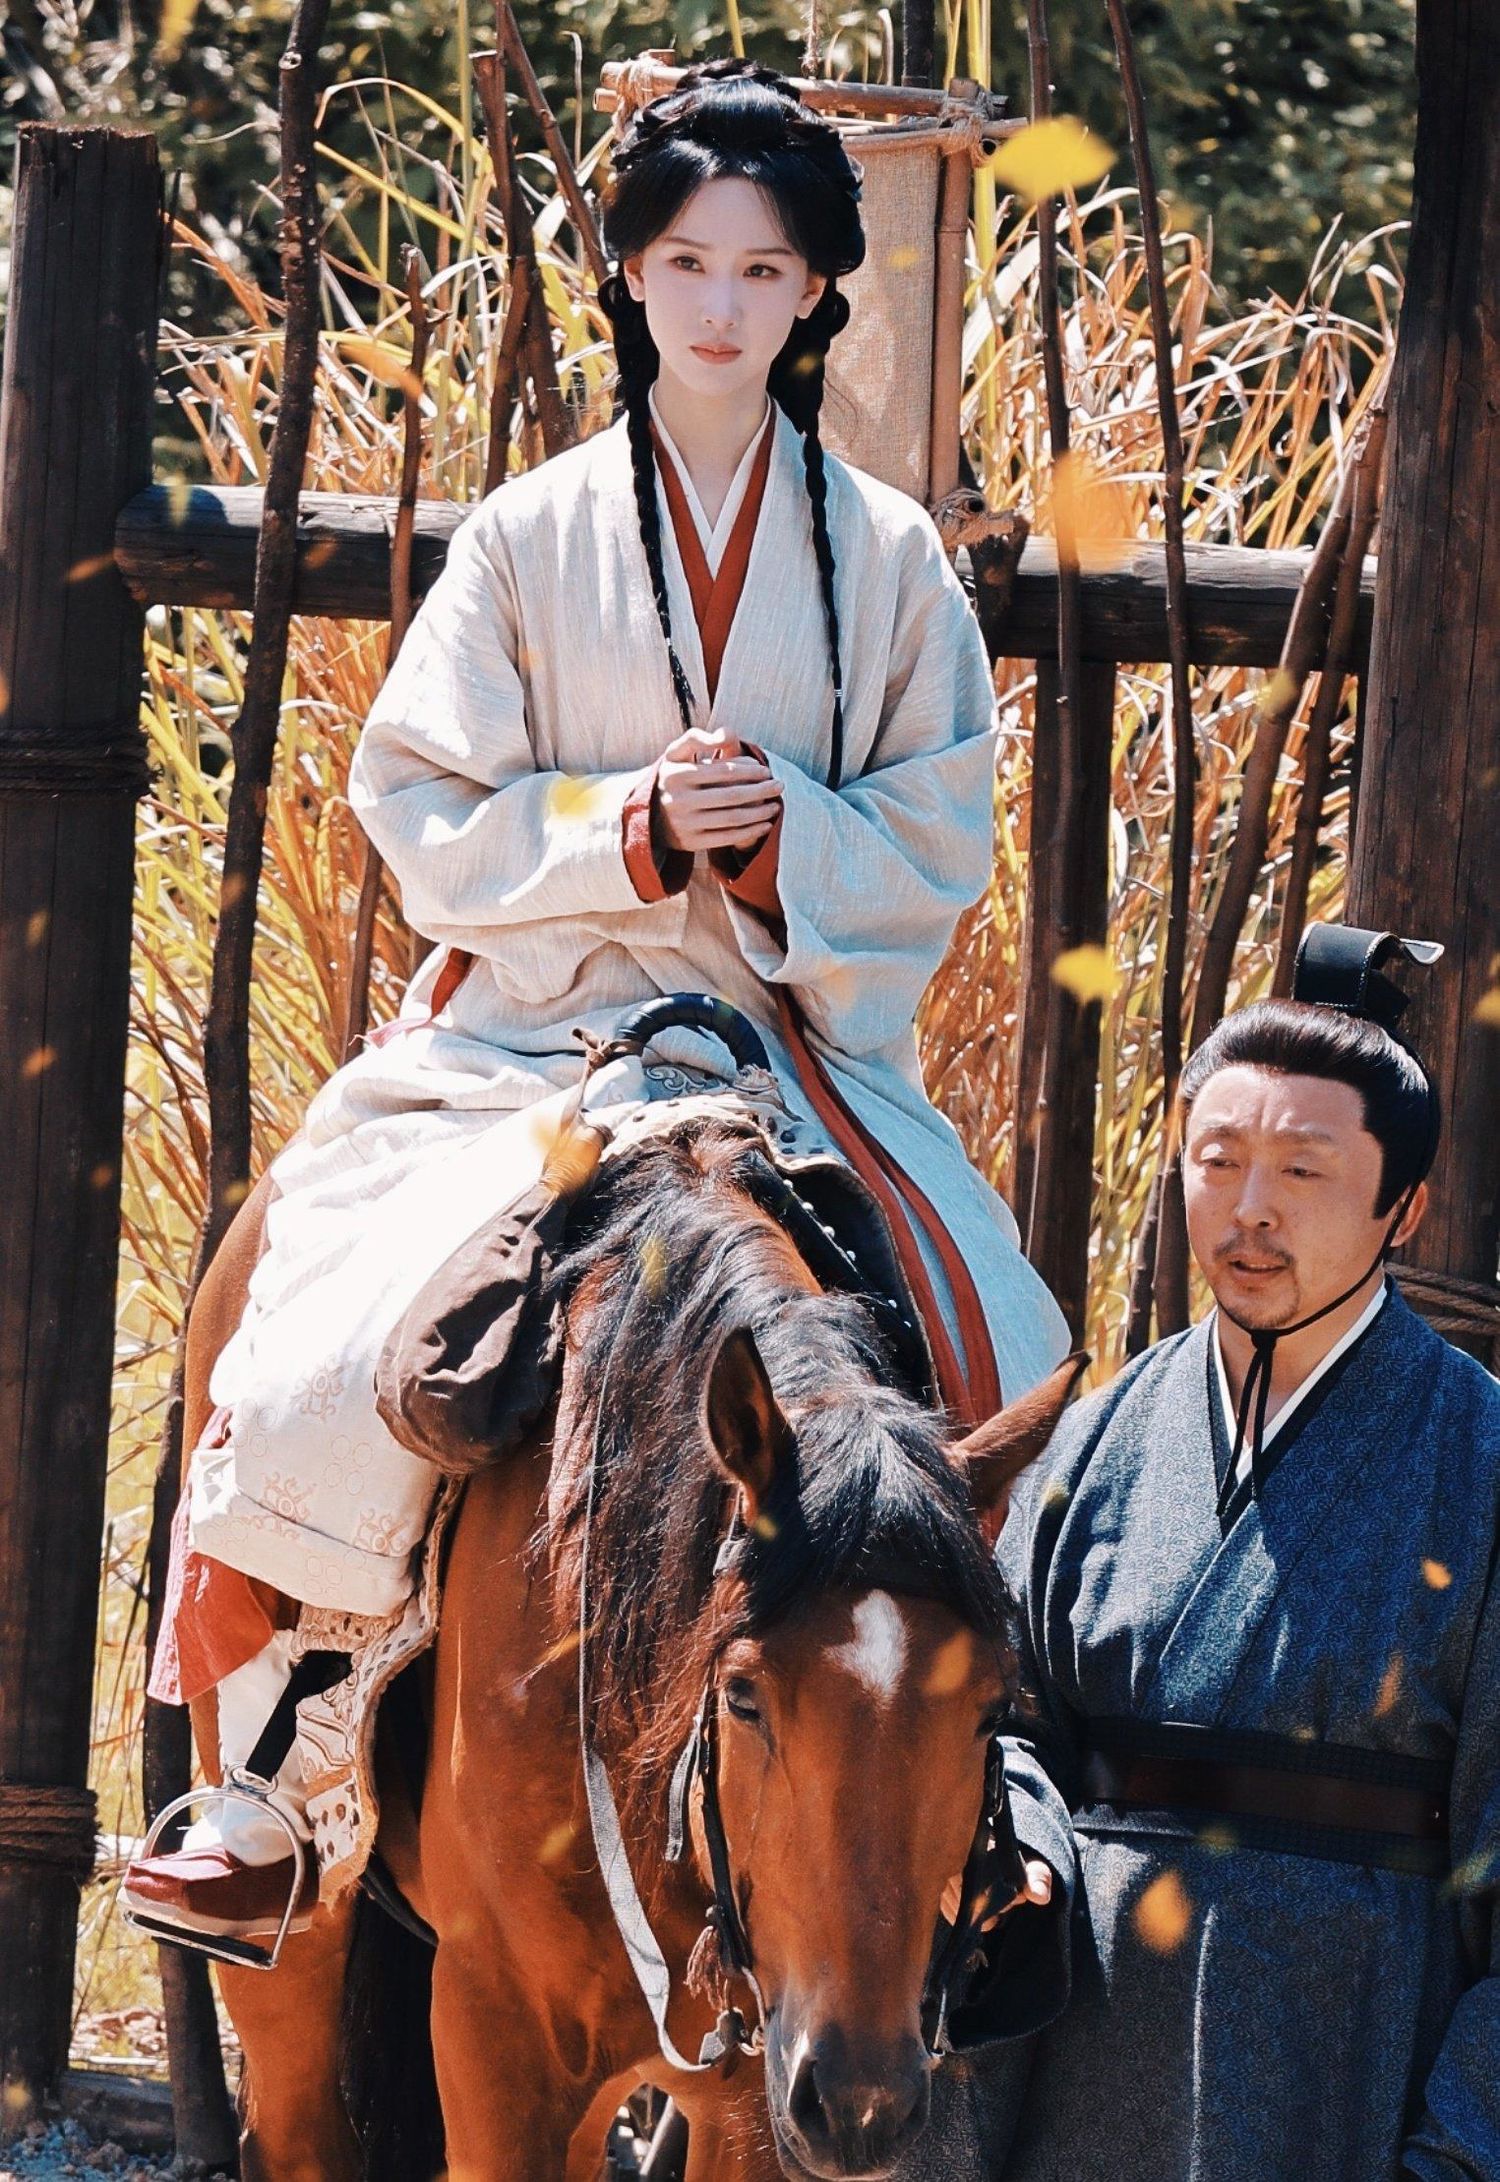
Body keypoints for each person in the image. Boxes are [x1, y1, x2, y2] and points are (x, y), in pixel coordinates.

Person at [124, 57, 1070, 1952]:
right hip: (531, 1042)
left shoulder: (892, 557)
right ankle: (290, 1767)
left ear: (816, 294)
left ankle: (991, 1805)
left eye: (765, 270)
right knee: (319, 1339)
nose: (722, 306)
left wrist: (786, 835)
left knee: (1011, 1341)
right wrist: (629, 827)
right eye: (688, 262)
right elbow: (416, 805)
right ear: (629, 274)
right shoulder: (523, 535)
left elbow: (942, 831)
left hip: (794, 1048)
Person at [902, 926, 1500, 2182]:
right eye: (1217, 1162)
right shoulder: (1099, 1436)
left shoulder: (1478, 1459)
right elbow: (1007, 1727)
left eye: (1304, 1171)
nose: (1251, 1210)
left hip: (1347, 2060)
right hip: (1083, 2049)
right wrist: (1029, 1839)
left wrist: (1459, 2151)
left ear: (1405, 1205)